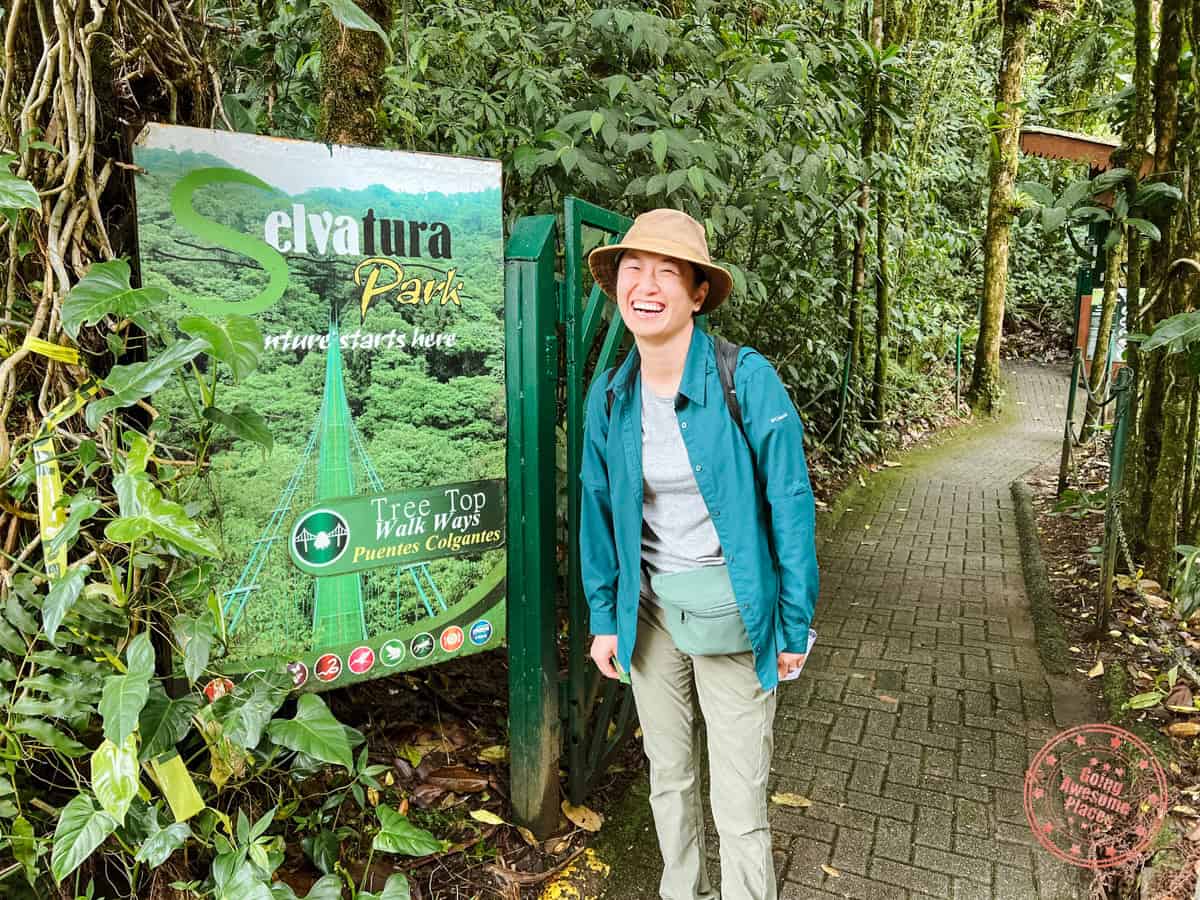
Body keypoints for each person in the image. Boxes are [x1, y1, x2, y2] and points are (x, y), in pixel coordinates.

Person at [579, 207, 820, 900]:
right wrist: (605, 616)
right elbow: (598, 509)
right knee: (669, 778)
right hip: (650, 614)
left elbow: (791, 503)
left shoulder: (747, 379)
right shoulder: (613, 394)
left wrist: (793, 623)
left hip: (733, 613)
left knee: (739, 801)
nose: (646, 286)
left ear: (697, 293)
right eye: (633, 269)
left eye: (667, 272)